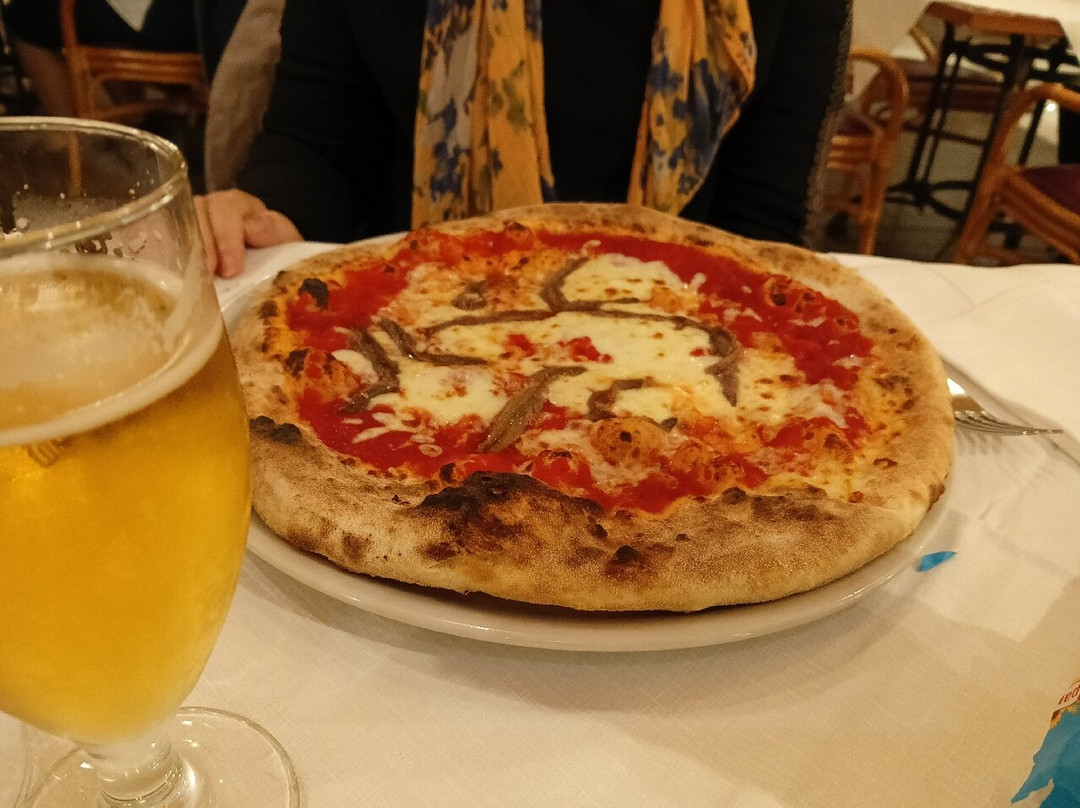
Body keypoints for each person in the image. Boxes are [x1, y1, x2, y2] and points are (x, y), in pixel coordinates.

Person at [196, 0, 852, 278]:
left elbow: (763, 227)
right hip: (408, 349)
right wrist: (264, 210)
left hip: (684, 352)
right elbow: (321, 146)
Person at [6, 0, 199, 117]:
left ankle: (71, 139)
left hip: (170, 22)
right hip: (202, 22)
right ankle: (130, 112)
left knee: (24, 16)